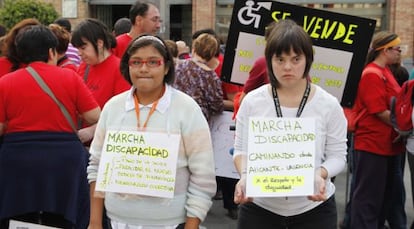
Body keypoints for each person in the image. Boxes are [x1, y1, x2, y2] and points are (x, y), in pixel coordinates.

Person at [87, 34, 216, 229]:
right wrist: (95, 222)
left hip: (171, 223)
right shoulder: (113, 107)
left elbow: (203, 176)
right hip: (117, 221)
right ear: (127, 66)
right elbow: (97, 165)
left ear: (166, 67)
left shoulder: (187, 109)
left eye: (153, 62)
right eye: (136, 62)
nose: (144, 68)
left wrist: (192, 225)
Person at [233, 19, 347, 229]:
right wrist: (245, 176)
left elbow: (338, 156)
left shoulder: (328, 104)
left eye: (296, 59)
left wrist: (319, 174)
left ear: (308, 59)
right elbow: (240, 150)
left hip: (313, 211)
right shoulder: (252, 102)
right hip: (260, 209)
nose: (287, 67)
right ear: (269, 60)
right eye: (280, 59)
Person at [0, 24, 101, 228]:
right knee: (64, 217)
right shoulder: (70, 77)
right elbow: (95, 116)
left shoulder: (5, 82)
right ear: (51, 52)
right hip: (64, 161)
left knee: (18, 217)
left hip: (18, 160)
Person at [350, 31, 405, 229]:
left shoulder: (386, 71)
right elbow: (378, 110)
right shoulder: (371, 74)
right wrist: (402, 126)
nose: (400, 53)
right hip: (372, 144)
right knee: (368, 196)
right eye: (398, 49)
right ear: (385, 50)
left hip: (387, 144)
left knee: (383, 196)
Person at [71, 18, 130, 145]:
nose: (79, 53)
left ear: (99, 43)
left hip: (107, 144)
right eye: (77, 49)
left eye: (83, 47)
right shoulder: (83, 67)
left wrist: (93, 130)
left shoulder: (119, 69)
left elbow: (123, 112)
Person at [174, 33, 224, 121]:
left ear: (194, 48)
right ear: (212, 53)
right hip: (198, 120)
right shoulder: (210, 76)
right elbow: (217, 106)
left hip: (176, 115)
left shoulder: (178, 66)